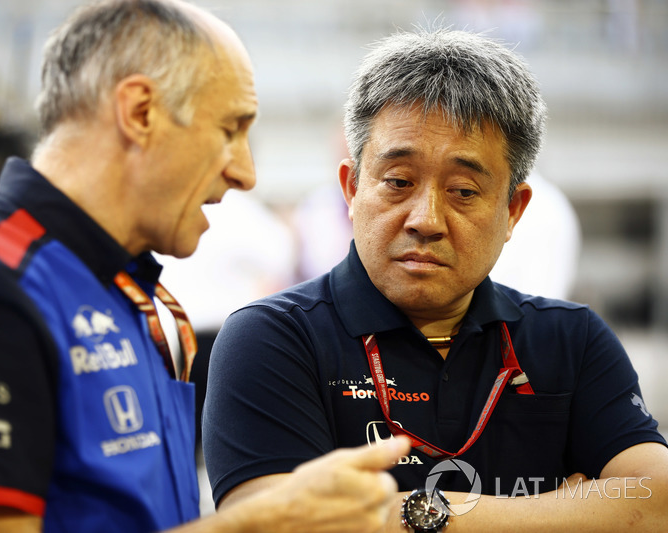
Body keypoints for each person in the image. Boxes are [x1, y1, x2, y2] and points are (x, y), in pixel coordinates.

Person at [0, 1, 411, 532]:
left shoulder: (134, 293)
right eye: (230, 128)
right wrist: (256, 524)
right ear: (140, 112)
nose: (245, 173)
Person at [202, 27, 668, 531]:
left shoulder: (572, 340)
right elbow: (282, 523)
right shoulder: (273, 338)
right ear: (352, 189)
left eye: (464, 191)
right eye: (398, 182)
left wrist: (413, 512)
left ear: (513, 210)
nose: (425, 218)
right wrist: (571, 507)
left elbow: (655, 500)